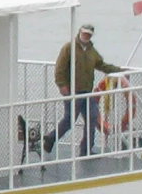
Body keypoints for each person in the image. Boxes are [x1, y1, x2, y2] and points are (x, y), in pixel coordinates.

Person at [48, 23, 123, 155]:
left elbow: (101, 64)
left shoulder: (91, 50)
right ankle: (50, 138)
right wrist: (62, 86)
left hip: (87, 91)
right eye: (85, 33)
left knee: (92, 117)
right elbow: (60, 68)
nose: (86, 36)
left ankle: (86, 149)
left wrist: (119, 70)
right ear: (80, 32)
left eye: (89, 34)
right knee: (69, 119)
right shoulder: (69, 48)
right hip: (73, 91)